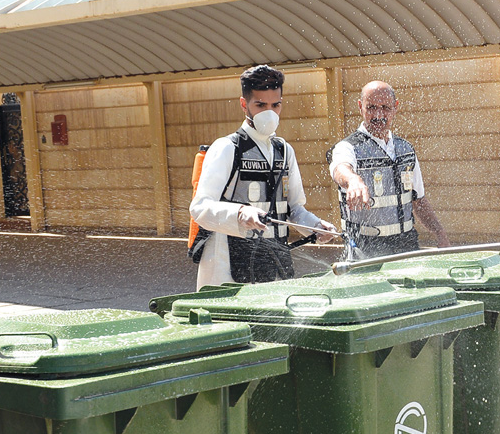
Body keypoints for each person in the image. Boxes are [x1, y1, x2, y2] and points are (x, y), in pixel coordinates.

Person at [189, 65, 336, 290]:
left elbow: (294, 209)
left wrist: (315, 227)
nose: (269, 112)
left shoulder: (284, 150)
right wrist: (239, 213)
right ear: (243, 104)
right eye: (260, 105)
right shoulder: (228, 147)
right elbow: (199, 208)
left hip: (274, 263)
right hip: (227, 265)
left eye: (275, 105)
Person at [327, 81, 449, 259]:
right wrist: (353, 180)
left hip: (406, 244)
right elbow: (340, 168)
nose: (378, 114)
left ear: (395, 107)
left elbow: (419, 201)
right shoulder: (347, 147)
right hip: (365, 248)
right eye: (371, 107)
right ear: (360, 107)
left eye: (385, 108)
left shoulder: (406, 150)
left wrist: (439, 233)